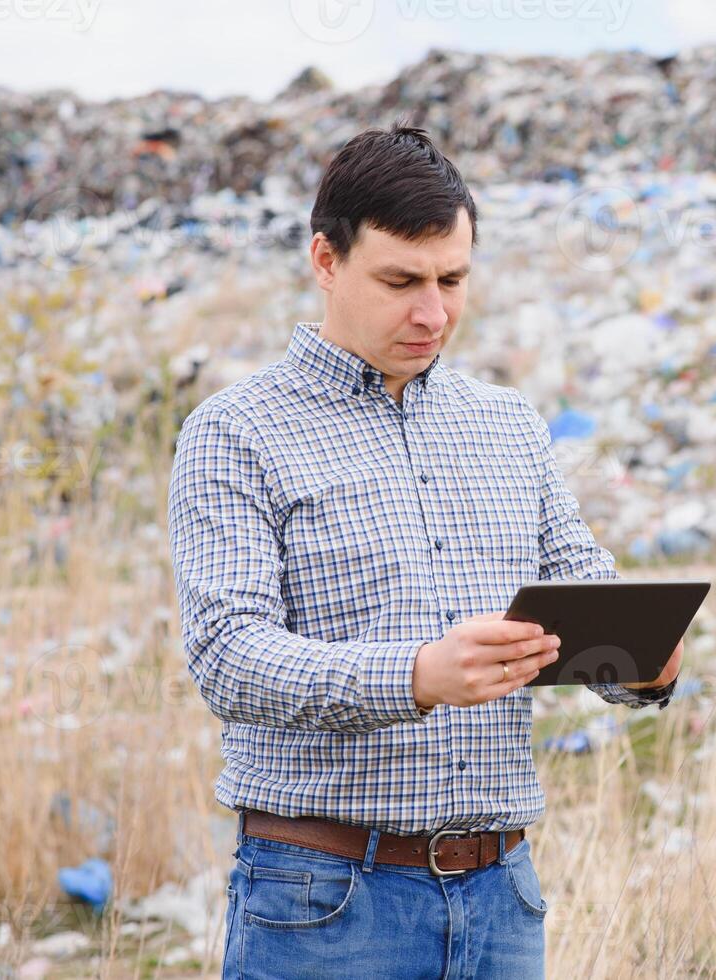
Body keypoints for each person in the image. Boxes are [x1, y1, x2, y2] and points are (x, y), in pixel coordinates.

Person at [167, 123, 682, 979]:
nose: (433, 312)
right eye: (401, 281)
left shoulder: (509, 425)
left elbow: (583, 594)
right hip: (323, 901)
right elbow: (228, 657)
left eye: (453, 280)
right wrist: (413, 679)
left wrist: (642, 665)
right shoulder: (236, 431)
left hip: (502, 895)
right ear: (326, 261)